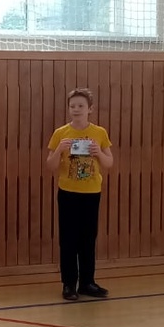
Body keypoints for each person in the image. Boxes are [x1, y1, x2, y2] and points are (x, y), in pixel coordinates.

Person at [45, 87, 114, 301]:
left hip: (91, 193)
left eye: (81, 106)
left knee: (88, 239)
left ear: (90, 109)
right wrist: (59, 150)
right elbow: (50, 165)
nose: (76, 109)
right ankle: (69, 284)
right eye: (72, 106)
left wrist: (99, 153)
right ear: (68, 108)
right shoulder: (60, 133)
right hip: (68, 193)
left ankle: (87, 282)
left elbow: (109, 163)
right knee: (68, 239)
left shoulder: (99, 133)